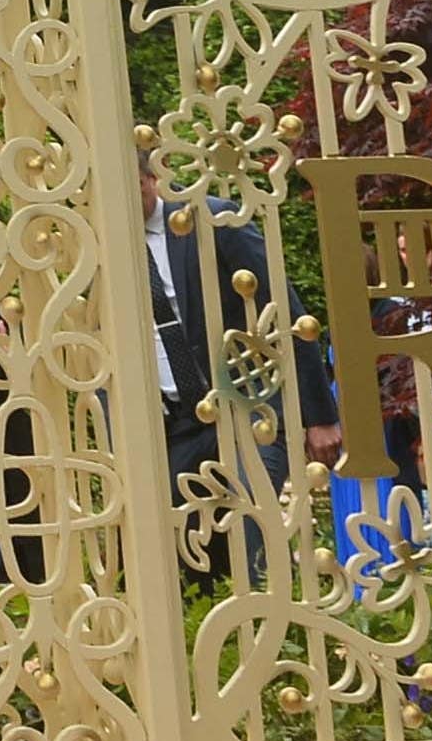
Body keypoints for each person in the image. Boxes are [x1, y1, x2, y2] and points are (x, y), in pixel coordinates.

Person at [138, 143, 337, 585]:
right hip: (175, 422)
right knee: (182, 554)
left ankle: (277, 631)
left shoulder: (211, 220)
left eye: (134, 187)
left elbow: (285, 308)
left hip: (249, 408)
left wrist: (320, 415)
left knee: (254, 530)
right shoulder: (105, 247)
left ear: (151, 179)